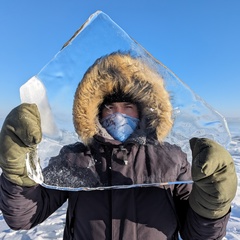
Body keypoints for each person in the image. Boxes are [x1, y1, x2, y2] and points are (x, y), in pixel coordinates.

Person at [0, 52, 237, 239]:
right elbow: (24, 216)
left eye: (127, 106)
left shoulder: (171, 159)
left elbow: (198, 234)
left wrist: (212, 201)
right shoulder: (76, 158)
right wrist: (17, 170)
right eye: (110, 107)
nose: (119, 115)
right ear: (96, 112)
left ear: (144, 110)